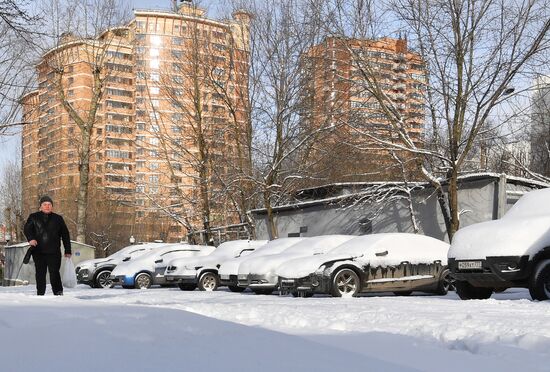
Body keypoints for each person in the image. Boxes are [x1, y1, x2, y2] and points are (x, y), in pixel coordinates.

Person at [24, 195, 72, 295]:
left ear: (52, 206)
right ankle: (40, 293)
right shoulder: (33, 217)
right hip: (38, 251)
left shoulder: (58, 219)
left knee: (55, 273)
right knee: (40, 274)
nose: (47, 206)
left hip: (54, 252)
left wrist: (68, 250)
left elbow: (65, 235)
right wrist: (31, 239)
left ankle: (58, 293)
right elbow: (27, 229)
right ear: (40, 206)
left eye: (49, 204)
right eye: (45, 204)